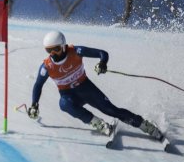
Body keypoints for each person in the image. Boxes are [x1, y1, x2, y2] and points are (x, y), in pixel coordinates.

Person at [27, 30, 164, 140]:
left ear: (63, 45)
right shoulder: (47, 67)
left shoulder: (75, 51)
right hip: (69, 96)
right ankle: (98, 124)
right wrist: (34, 104)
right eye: (48, 50)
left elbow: (102, 53)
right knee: (64, 104)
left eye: (56, 49)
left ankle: (144, 125)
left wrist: (102, 63)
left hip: (86, 88)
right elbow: (38, 85)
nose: (52, 54)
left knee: (111, 110)